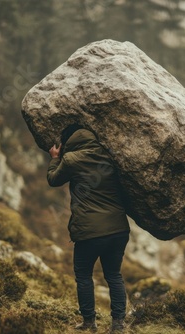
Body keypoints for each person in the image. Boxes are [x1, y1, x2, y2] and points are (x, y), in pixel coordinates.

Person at [47, 124, 130, 333]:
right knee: (114, 275)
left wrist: (55, 158)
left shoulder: (71, 159)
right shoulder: (109, 156)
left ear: (71, 143)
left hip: (89, 232)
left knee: (84, 275)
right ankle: (118, 324)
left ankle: (89, 322)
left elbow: (53, 179)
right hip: (118, 229)